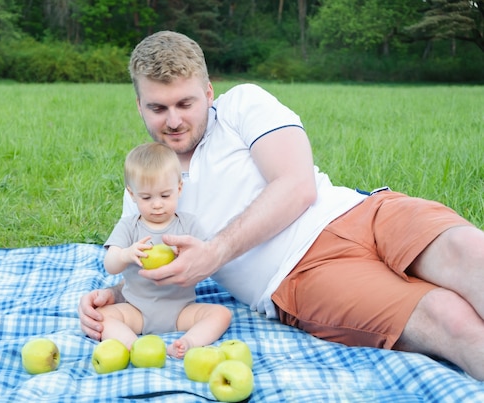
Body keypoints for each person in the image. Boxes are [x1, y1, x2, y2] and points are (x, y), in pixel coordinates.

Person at [78, 30, 484, 380]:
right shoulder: (149, 187)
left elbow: (297, 185)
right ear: (139, 107)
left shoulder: (241, 105)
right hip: (298, 276)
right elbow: (151, 264)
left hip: (362, 212)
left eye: (185, 104)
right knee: (446, 315)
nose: (173, 121)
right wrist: (114, 296)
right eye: (158, 108)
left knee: (468, 251)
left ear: (208, 93)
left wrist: (214, 252)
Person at [98, 142, 231, 358]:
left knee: (221, 314)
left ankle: (188, 342)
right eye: (147, 197)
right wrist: (125, 254)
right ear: (132, 195)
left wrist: (188, 255)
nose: (157, 204)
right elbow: (110, 265)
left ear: (179, 188)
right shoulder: (129, 226)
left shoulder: (188, 225)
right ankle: (134, 346)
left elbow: (207, 259)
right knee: (100, 317)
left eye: (165, 195)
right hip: (137, 309)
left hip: (181, 309)